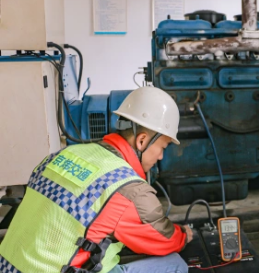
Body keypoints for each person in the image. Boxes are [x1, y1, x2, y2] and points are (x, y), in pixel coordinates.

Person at [0, 87, 193, 273]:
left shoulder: (64, 154)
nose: (160, 157)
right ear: (142, 140)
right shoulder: (128, 190)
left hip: (7, 267)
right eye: (163, 147)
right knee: (175, 265)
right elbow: (164, 239)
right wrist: (184, 235)